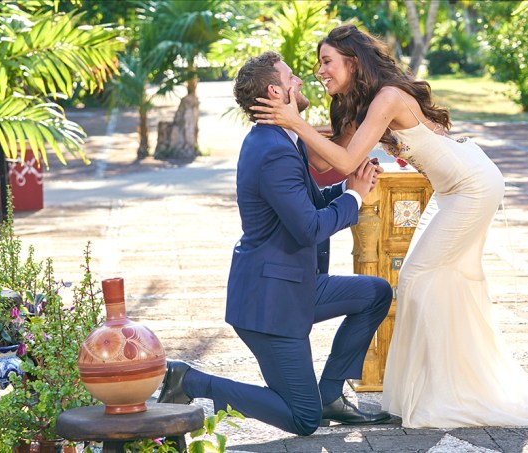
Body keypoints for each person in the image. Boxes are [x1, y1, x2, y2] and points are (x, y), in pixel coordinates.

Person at [252, 24, 528, 429]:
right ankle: (455, 385)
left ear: (353, 61)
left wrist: (294, 121)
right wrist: (287, 123)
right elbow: (321, 163)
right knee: (443, 282)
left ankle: (446, 393)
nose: (319, 71)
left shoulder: (387, 97)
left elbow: (346, 163)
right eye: (318, 64)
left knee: (418, 277)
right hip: (449, 190)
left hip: (473, 185)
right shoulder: (361, 104)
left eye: (327, 61)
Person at [157, 51, 394, 436]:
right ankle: (192, 382)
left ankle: (331, 394)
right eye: (291, 78)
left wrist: (349, 187)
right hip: (271, 303)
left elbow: (305, 201)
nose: (300, 82)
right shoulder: (272, 151)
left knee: (375, 293)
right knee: (302, 419)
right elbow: (307, 229)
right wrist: (353, 201)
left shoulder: (283, 138)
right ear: (275, 91)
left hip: (295, 285)